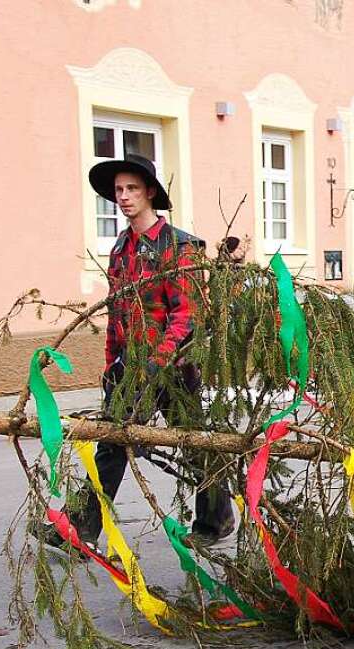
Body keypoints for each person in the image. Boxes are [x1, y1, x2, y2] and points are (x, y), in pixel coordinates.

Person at [35, 154, 234, 552]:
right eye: (118, 191)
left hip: (175, 369)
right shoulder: (121, 249)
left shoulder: (179, 246)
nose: (123, 197)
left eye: (132, 189)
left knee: (194, 444)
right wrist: (113, 364)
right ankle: (80, 530)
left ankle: (216, 519)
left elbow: (187, 313)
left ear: (150, 194)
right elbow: (118, 312)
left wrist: (158, 363)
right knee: (111, 443)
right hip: (132, 367)